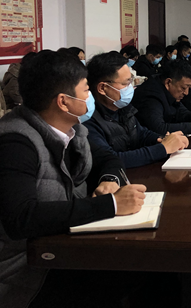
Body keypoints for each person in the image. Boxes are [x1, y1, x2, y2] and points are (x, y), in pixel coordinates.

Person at [0, 50, 147, 307]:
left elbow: (108, 158)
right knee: (138, 273)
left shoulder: (73, 129)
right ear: (63, 102)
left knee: (143, 270)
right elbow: (21, 217)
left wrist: (109, 180)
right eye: (86, 90)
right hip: (27, 271)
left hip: (63, 247)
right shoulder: (15, 143)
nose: (90, 97)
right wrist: (110, 205)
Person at [85, 52, 189, 169]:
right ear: (102, 88)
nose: (131, 87)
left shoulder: (122, 108)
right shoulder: (88, 120)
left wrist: (163, 139)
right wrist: (163, 148)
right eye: (126, 83)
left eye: (131, 81)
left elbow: (141, 134)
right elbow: (110, 160)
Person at [131, 60, 191, 135]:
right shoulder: (151, 96)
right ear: (168, 82)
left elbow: (184, 114)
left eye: (189, 88)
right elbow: (159, 128)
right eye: (183, 88)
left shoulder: (170, 92)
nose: (186, 93)